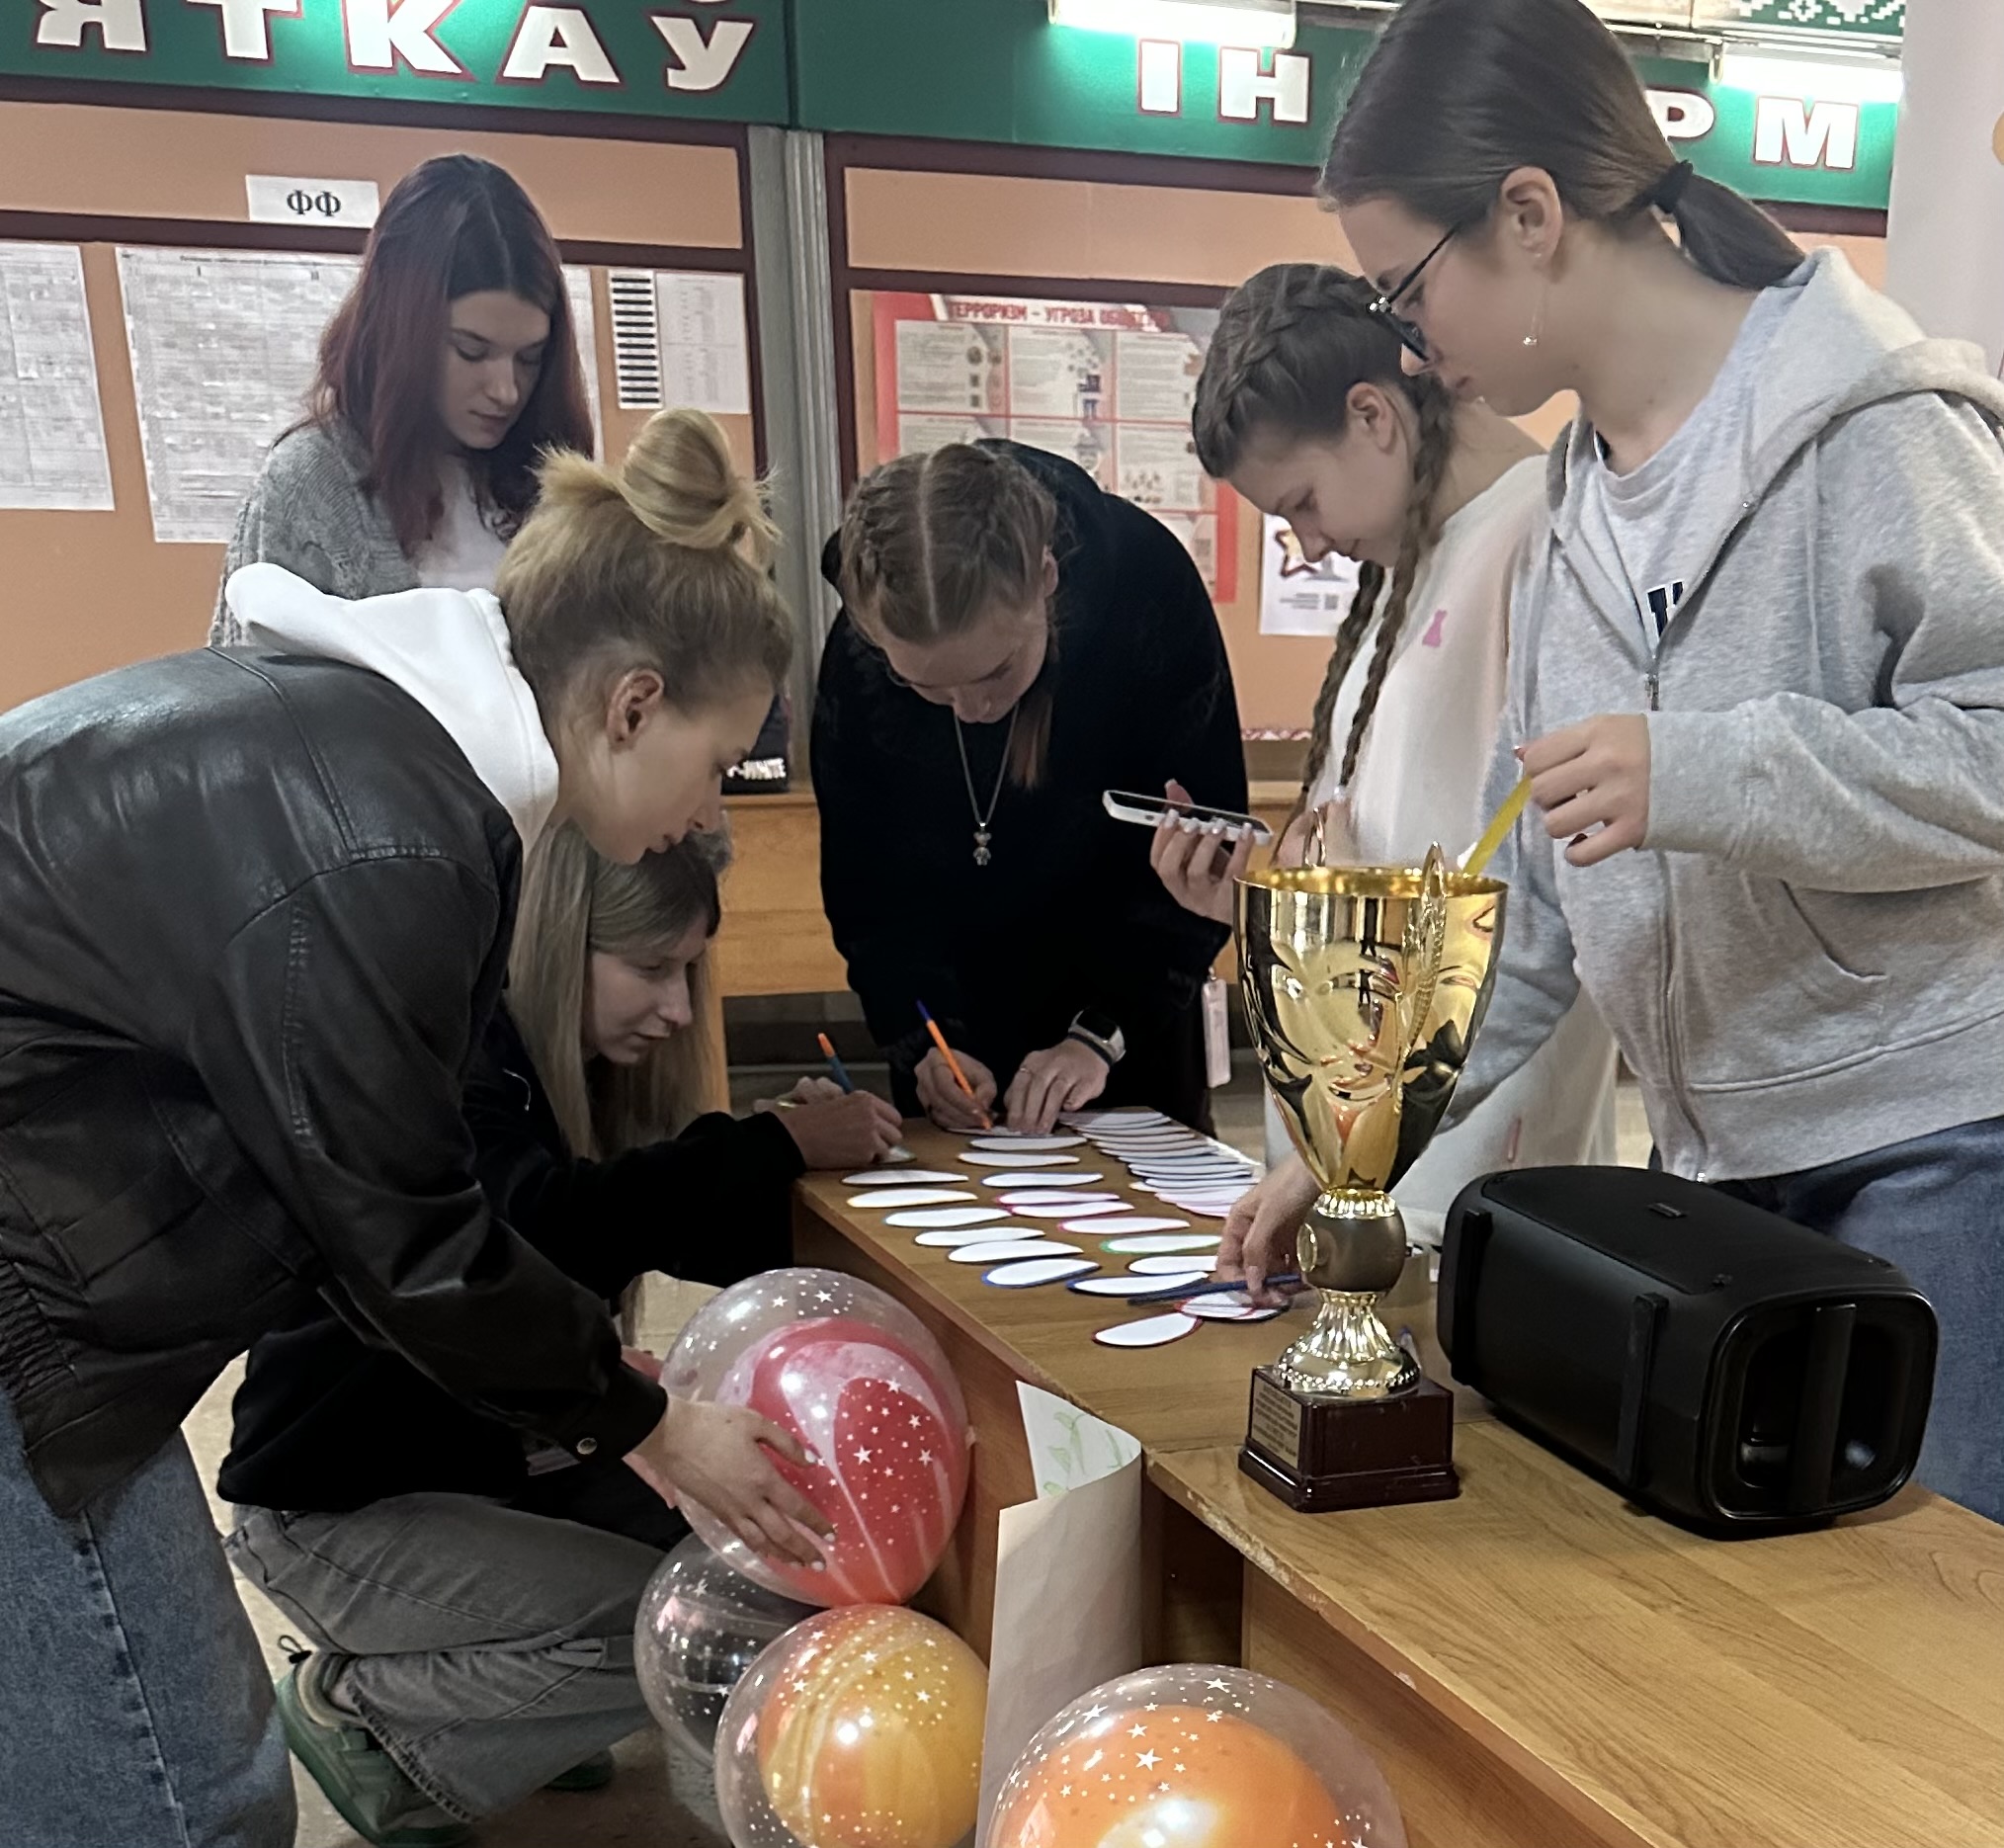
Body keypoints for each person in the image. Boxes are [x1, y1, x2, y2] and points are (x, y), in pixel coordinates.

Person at [0, 405, 826, 1848]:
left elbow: (363, 1203)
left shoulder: (374, 753)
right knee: (178, 1795)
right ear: (633, 705)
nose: (710, 810)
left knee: (148, 1764)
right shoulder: (389, 833)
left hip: (57, 1282)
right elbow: (405, 1226)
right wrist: (645, 1423)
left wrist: (597, 1395)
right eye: (722, 761)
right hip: (32, 1310)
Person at [1240, 0, 2004, 1522]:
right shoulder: (1572, 510)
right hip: (1719, 1169)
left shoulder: (1879, 425)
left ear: (1529, 215)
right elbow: (1525, 904)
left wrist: (1704, 772)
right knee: (1753, 1612)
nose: (1410, 340)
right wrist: (1362, 1133)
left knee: (1931, 1623)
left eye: (1407, 287)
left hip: (1935, 1147)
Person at [218, 823, 901, 1846]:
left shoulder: (562, 1071)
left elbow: (665, 1223)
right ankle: (363, 1716)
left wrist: (793, 1162)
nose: (679, 1010)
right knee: (663, 1626)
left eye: (688, 973)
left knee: (739, 1567)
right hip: (334, 1507)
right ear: (559, 943)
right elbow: (541, 1227)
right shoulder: (464, 1064)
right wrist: (767, 1144)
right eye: (652, 970)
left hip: (481, 1461)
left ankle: (509, 1708)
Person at [1152, 262, 1616, 1252]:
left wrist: (1362, 1123)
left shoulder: (1543, 543)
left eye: (1304, 503)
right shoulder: (1411, 561)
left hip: (1467, 1148)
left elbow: (1541, 897)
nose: (1310, 544)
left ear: (1373, 416)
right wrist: (1269, 900)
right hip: (1362, 1122)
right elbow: (1402, 833)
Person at [814, 440, 1248, 1135]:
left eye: (994, 673)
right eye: (924, 685)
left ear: (1046, 578)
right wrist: (922, 1039)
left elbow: (1205, 853)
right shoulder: (871, 631)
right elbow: (867, 888)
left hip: (1131, 1030)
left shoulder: (1146, 586)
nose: (970, 710)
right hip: (956, 1059)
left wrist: (1100, 1033)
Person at [210, 152, 591, 634]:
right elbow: (246, 674)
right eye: (471, 351)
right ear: (401, 332)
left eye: (529, 358)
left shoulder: (551, 481)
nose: (506, 390)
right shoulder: (309, 486)